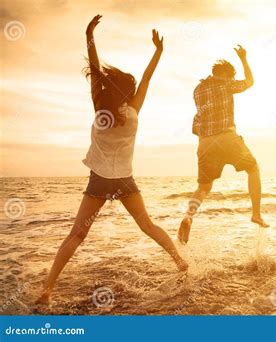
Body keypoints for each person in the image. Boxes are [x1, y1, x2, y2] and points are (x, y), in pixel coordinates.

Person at [36, 15, 187, 304]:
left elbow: (94, 70)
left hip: (100, 180)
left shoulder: (99, 108)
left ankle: (47, 289)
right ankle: (179, 262)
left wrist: (89, 35)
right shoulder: (134, 110)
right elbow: (147, 77)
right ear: (128, 93)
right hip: (124, 179)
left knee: (76, 236)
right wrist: (158, 51)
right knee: (147, 226)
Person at [177, 45, 268, 245]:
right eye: (231, 76)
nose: (231, 79)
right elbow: (250, 82)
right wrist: (244, 59)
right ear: (227, 75)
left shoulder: (198, 89)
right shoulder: (225, 84)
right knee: (253, 168)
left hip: (205, 142)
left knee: (203, 187)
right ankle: (256, 214)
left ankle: (189, 216)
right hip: (226, 137)